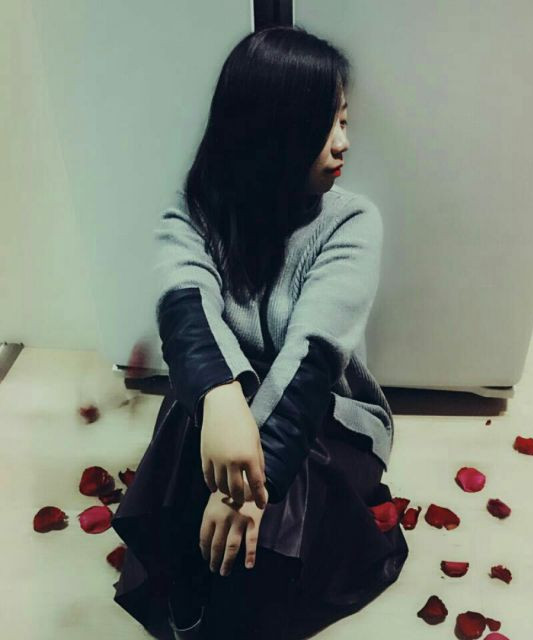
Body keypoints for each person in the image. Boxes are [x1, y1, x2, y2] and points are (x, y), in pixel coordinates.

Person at [111, 25, 408, 640]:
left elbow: (313, 357)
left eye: (345, 122)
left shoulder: (352, 222)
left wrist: (250, 486)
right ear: (272, 131)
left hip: (319, 418)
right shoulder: (193, 213)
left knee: (264, 556)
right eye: (327, 125)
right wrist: (222, 400)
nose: (344, 143)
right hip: (218, 413)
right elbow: (186, 311)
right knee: (192, 427)